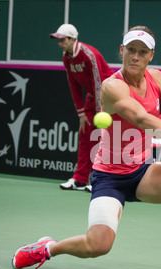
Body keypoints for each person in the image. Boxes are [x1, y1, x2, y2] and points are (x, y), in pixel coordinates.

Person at [12, 26, 161, 269]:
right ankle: (48, 248)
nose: (135, 57)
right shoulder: (112, 86)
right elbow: (139, 117)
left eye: (142, 52)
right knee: (98, 245)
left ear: (151, 55)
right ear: (121, 51)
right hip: (109, 177)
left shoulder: (158, 80)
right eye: (131, 50)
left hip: (141, 171)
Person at [50, 24, 113, 192]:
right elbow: (74, 85)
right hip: (92, 98)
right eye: (58, 40)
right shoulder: (66, 58)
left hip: (109, 96)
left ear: (72, 39)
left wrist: (101, 110)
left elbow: (98, 82)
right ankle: (79, 179)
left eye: (62, 40)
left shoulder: (88, 55)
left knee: (103, 138)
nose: (59, 43)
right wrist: (81, 113)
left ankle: (98, 179)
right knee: (85, 134)